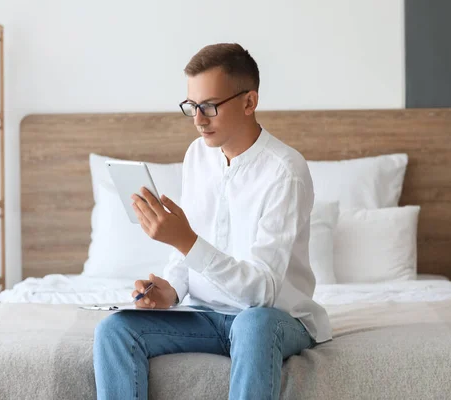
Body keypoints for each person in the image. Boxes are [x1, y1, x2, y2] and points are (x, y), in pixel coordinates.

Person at [93, 43, 331, 400]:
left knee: (253, 324)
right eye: (191, 106)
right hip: (206, 316)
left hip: (275, 318)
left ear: (249, 103)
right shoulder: (197, 156)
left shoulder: (285, 171)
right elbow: (189, 250)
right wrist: (169, 291)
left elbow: (262, 293)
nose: (198, 119)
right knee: (115, 330)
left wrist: (184, 240)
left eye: (209, 107)